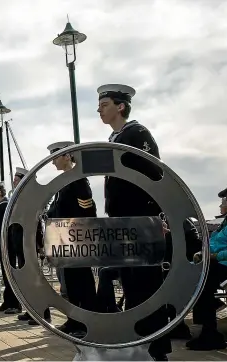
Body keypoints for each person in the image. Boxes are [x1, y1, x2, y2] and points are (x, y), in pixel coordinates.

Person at [98, 84, 170, 361]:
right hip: (121, 224)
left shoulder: (136, 134)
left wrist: (158, 218)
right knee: (130, 285)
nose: (100, 110)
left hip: (141, 221)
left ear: (121, 106)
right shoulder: (115, 138)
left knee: (146, 286)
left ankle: (156, 348)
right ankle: (138, 342)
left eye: (104, 105)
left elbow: (156, 176)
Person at [40, 141, 99, 336]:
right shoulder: (64, 182)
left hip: (76, 241)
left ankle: (86, 322)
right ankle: (74, 320)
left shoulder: (78, 181)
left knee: (83, 282)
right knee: (70, 284)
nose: (53, 162)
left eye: (55, 157)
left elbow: (88, 211)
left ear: (67, 156)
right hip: (64, 242)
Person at [186, 185, 227, 351]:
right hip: (217, 263)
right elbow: (213, 244)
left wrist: (215, 256)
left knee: (204, 278)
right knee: (192, 273)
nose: (225, 202)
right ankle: (206, 328)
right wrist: (201, 253)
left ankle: (210, 333)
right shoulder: (225, 222)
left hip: (224, 264)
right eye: (226, 199)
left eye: (226, 199)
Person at [0, 182, 20, 314]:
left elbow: (4, 227)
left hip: (7, 244)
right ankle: (8, 301)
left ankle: (15, 303)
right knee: (6, 274)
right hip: (3, 243)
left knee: (10, 273)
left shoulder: (4, 206)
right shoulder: (1, 206)